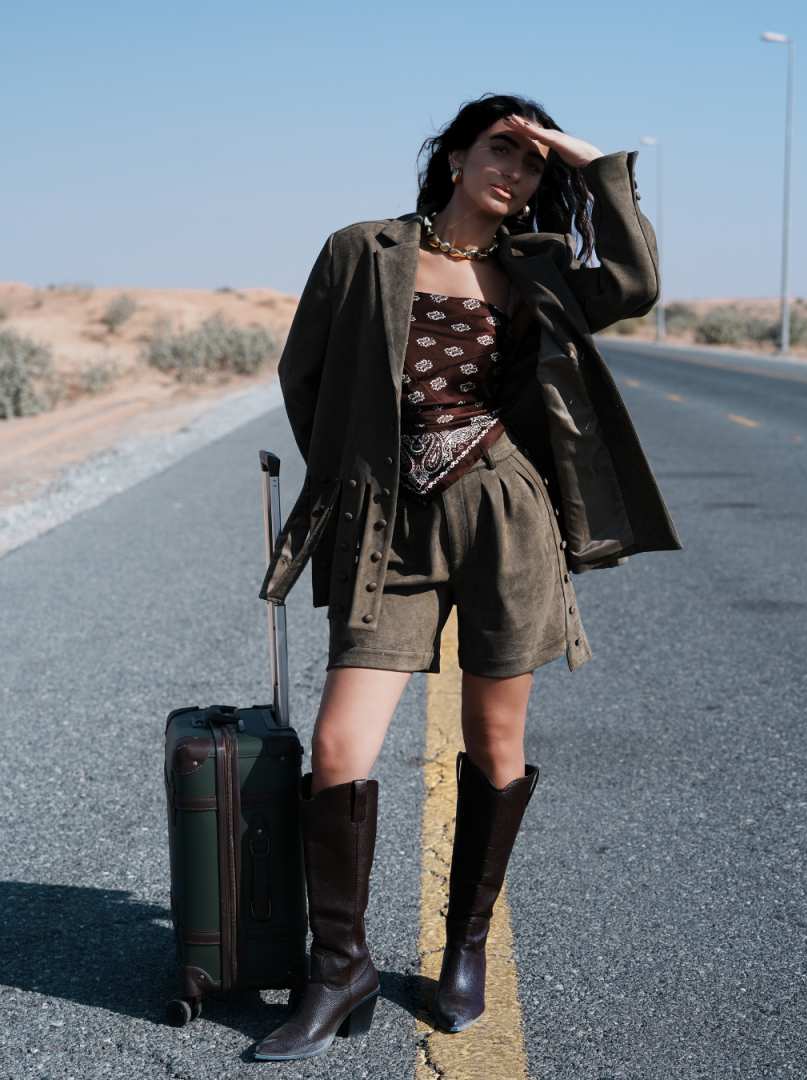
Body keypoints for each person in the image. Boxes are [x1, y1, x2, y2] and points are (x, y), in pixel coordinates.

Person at [254, 92, 681, 1061]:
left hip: (504, 515)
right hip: (385, 525)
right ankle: (338, 968)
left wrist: (593, 164)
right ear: (451, 157)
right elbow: (303, 378)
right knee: (338, 747)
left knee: (496, 743)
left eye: (533, 165)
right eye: (500, 149)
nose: (516, 173)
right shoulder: (361, 250)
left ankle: (465, 951)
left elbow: (637, 281)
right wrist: (357, 471)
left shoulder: (543, 270)